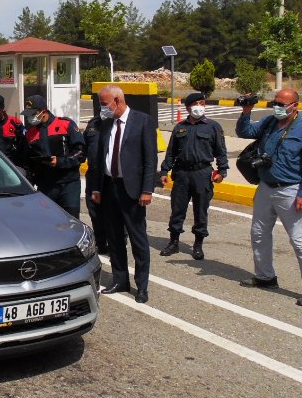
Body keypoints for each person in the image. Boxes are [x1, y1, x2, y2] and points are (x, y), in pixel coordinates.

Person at [235, 88, 302, 307]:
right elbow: (245, 131)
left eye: (282, 105)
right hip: (265, 187)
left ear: (295, 106)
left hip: (290, 190)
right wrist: (246, 110)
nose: (277, 107)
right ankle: (265, 277)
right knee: (258, 233)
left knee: (299, 239)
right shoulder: (269, 122)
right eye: (275, 103)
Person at [89, 85, 158, 303]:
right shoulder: (107, 123)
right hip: (110, 187)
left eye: (104, 103)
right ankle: (120, 279)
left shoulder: (142, 121)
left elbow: (150, 159)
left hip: (133, 190)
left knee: (138, 239)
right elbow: (102, 157)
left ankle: (142, 285)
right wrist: (98, 188)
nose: (102, 108)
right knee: (114, 237)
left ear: (117, 101)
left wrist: (147, 189)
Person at [159, 92, 229, 260]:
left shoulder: (213, 127)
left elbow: (221, 152)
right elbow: (171, 153)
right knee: (177, 209)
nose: (200, 106)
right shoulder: (179, 127)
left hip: (202, 173)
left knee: (201, 210)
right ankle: (173, 242)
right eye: (196, 103)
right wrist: (164, 171)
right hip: (182, 173)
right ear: (188, 107)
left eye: (202, 103)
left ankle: (198, 245)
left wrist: (222, 171)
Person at [21, 95, 86, 218]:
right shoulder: (30, 134)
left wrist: (60, 162)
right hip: (46, 187)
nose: (29, 117)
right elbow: (27, 163)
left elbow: (80, 152)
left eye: (33, 113)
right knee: (48, 223)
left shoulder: (66, 125)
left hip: (68, 185)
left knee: (70, 222)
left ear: (43, 111)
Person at [84, 94, 109, 254]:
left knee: (113, 211)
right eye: (101, 104)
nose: (103, 108)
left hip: (110, 176)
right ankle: (101, 242)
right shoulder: (93, 124)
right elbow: (84, 146)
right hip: (93, 174)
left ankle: (119, 240)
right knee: (94, 210)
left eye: (105, 104)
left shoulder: (118, 124)